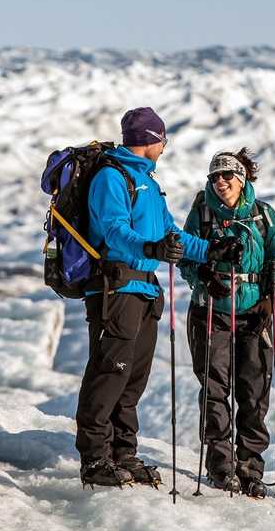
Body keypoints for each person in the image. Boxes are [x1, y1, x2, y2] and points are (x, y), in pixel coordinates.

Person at [75, 107, 242, 488]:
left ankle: (123, 453)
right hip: (116, 289)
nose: (164, 146)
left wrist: (212, 251)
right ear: (152, 139)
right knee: (109, 374)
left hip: (145, 291)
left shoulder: (147, 184)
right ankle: (94, 458)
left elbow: (171, 236)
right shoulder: (110, 177)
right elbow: (114, 231)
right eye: (162, 139)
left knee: (133, 379)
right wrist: (151, 247)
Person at [179, 149, 275, 497]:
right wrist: (203, 275)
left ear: (243, 179)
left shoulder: (264, 215)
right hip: (210, 310)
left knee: (253, 392)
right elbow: (184, 254)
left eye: (228, 176)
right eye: (215, 176)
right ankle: (221, 466)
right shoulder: (202, 214)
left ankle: (250, 468)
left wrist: (271, 297)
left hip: (254, 314)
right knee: (215, 390)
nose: (221, 182)